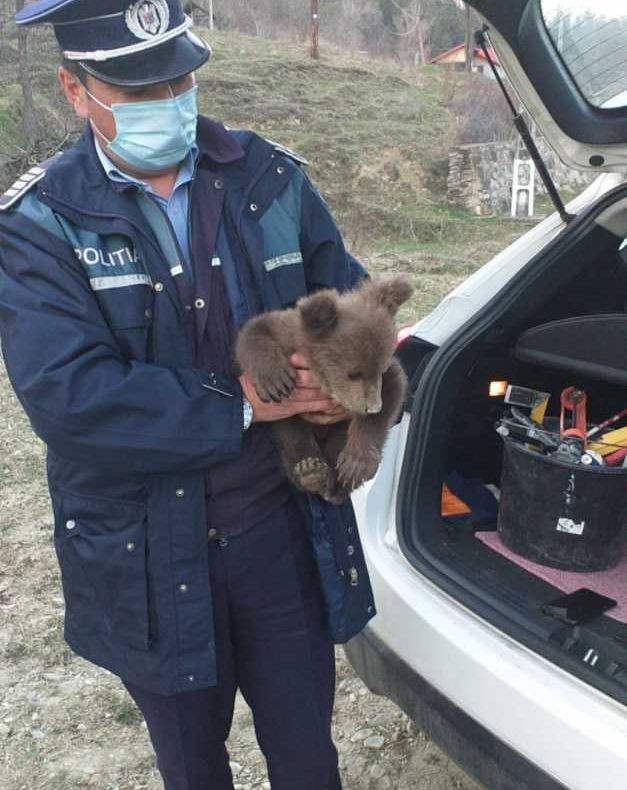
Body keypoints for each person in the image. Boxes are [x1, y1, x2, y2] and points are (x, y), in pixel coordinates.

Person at [0, 1, 376, 788]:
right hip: (147, 554)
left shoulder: (269, 180)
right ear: (77, 92)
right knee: (192, 768)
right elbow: (71, 397)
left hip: (280, 534)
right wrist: (243, 401)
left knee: (309, 761)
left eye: (177, 79)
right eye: (137, 91)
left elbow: (348, 305)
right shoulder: (40, 225)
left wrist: (351, 389)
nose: (166, 103)